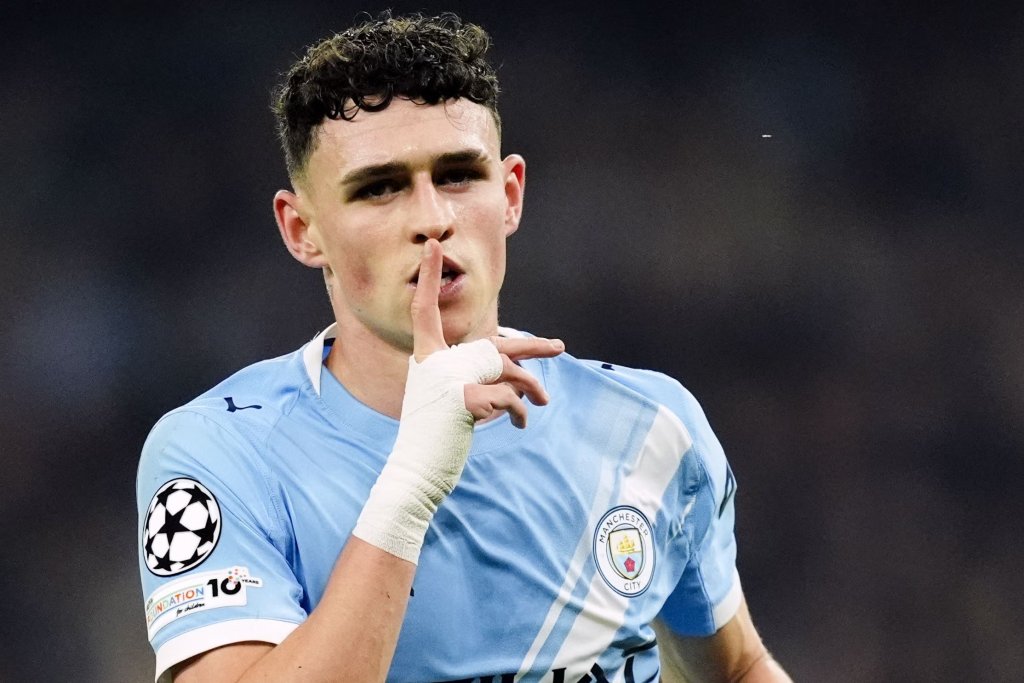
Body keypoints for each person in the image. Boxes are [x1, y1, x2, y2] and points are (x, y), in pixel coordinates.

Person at [136, 13, 792, 683]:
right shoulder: (221, 452)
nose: (432, 219)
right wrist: (412, 484)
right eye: (379, 187)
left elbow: (738, 668)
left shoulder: (650, 426)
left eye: (457, 176)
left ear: (509, 196)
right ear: (303, 229)